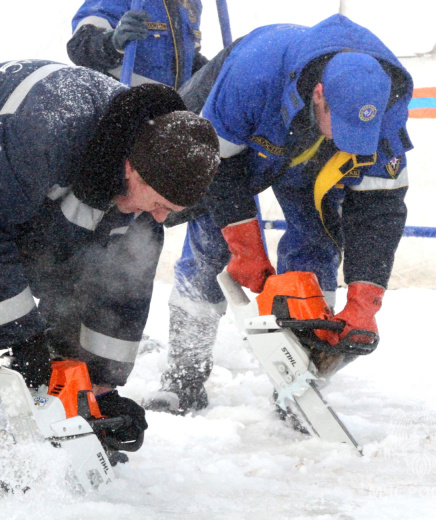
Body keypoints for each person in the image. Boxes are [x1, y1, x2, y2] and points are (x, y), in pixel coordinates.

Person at [0, 59, 220, 508]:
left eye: (170, 211)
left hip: (6, 173)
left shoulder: (145, 167)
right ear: (133, 170)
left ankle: (48, 432)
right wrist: (20, 341)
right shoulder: (49, 130)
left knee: (77, 276)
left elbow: (121, 289)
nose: (160, 218)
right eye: (159, 204)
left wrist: (101, 389)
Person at [143, 14, 414, 414]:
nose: (348, 141)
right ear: (318, 94)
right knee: (211, 244)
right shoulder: (252, 76)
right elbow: (219, 168)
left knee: (318, 244)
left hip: (309, 156)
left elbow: (380, 207)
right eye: (339, 125)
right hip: (244, 138)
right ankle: (184, 374)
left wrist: (364, 301)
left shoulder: (386, 109)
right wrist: (245, 248)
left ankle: (300, 383)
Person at [68, 0, 209, 89]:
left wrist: (214, 69)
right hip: (128, 104)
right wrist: (113, 43)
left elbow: (187, 60)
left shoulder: (191, 3)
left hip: (174, 107)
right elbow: (79, 45)